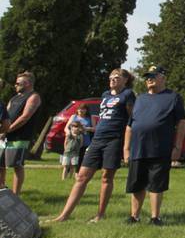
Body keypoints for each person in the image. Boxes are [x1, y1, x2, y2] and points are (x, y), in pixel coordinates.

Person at [50, 68, 135, 223]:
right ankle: (64, 216)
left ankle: (99, 215)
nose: (112, 79)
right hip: (97, 139)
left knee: (106, 177)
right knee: (81, 176)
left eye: (116, 77)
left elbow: (132, 119)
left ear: (125, 80)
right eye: (111, 77)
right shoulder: (105, 95)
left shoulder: (128, 95)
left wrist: (127, 145)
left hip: (114, 139)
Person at [123, 66, 185, 226]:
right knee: (137, 183)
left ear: (163, 77)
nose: (149, 79)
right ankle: (134, 216)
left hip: (160, 148)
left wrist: (177, 147)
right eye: (147, 77)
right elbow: (130, 126)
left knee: (156, 184)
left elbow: (181, 123)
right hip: (138, 149)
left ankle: (155, 217)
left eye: (153, 76)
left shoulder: (173, 97)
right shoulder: (140, 99)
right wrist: (126, 148)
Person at [0, 71, 42, 194]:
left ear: (28, 83)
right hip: (6, 135)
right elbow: (5, 115)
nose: (15, 85)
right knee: (1, 164)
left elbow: (25, 117)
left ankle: (15, 194)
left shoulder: (33, 97)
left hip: (20, 136)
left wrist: (7, 130)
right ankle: (2, 190)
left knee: (16, 165)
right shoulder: (14, 98)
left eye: (18, 83)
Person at [67, 104, 94, 168]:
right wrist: (70, 134)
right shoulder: (73, 117)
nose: (81, 110)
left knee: (81, 158)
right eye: (79, 109)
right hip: (73, 141)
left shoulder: (90, 117)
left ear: (86, 110)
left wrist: (85, 128)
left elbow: (94, 129)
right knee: (71, 159)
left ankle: (78, 173)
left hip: (85, 141)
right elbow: (67, 128)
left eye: (83, 109)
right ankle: (68, 174)